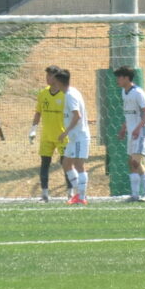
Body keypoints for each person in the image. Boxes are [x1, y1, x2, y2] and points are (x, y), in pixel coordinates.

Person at [29, 65, 69, 202]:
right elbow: (38, 112)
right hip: (46, 136)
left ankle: (71, 193)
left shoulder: (65, 94)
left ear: (57, 77)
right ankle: (44, 194)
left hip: (62, 136)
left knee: (66, 164)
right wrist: (33, 129)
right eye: (47, 75)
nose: (47, 78)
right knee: (44, 163)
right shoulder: (43, 93)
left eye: (50, 75)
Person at [114, 66, 145, 202]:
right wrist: (124, 128)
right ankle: (136, 195)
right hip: (132, 132)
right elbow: (129, 113)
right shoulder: (124, 92)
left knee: (135, 161)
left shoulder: (138, 93)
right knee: (132, 162)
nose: (117, 80)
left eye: (119, 77)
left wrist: (137, 128)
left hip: (141, 132)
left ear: (126, 78)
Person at [57, 69, 91, 205]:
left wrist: (65, 132)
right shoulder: (71, 92)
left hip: (79, 136)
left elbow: (77, 115)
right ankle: (78, 193)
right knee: (66, 163)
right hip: (74, 138)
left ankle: (82, 197)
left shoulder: (71, 95)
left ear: (59, 82)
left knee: (78, 165)